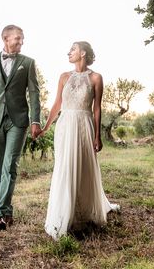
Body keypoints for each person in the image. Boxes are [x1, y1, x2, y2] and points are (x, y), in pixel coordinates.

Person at [40, 41, 120, 240]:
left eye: (73, 49)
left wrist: (97, 136)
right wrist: (46, 127)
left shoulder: (96, 78)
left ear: (83, 53)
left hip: (84, 124)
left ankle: (84, 211)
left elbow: (97, 108)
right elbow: (57, 103)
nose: (69, 52)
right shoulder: (64, 77)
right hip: (65, 125)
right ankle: (64, 213)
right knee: (65, 166)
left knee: (84, 166)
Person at [0, 24, 42, 231]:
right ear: (6, 39)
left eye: (22, 39)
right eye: (18, 39)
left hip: (18, 120)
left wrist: (35, 120)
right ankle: (6, 214)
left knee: (10, 166)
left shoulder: (28, 63)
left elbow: (34, 93)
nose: (21, 42)